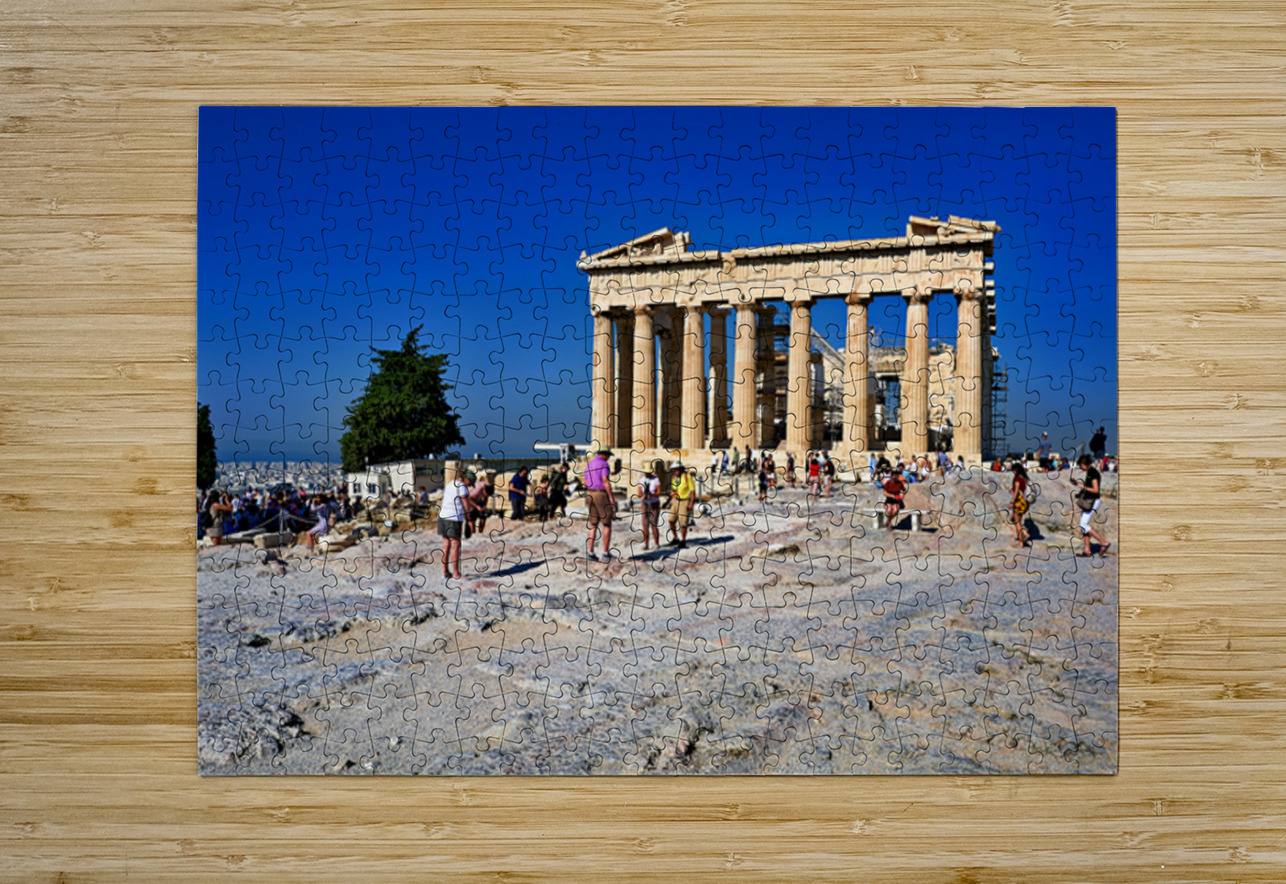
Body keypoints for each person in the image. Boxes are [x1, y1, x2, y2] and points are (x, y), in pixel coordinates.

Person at [1073, 454, 1110, 557]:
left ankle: (1103, 542)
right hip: (1088, 501)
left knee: (1083, 525)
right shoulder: (1089, 472)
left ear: (1085, 464)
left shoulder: (1093, 473)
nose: (1080, 467)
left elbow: (1095, 489)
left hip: (1093, 501)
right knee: (1082, 526)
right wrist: (1078, 486)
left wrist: (1083, 487)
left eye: (1080, 465)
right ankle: (1087, 550)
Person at [438, 468, 471, 579]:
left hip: (443, 516)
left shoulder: (450, 484)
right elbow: (466, 504)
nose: (470, 485)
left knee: (446, 544)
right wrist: (469, 518)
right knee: (455, 545)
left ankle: (445, 572)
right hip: (454, 517)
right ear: (466, 479)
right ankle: (456, 573)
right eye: (470, 482)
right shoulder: (461, 487)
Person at [584, 446, 615, 561]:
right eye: (608, 456)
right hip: (600, 494)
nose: (608, 458)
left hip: (589, 493)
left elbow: (585, 481)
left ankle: (590, 552)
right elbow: (605, 480)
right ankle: (605, 552)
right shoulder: (604, 464)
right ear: (605, 454)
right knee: (607, 524)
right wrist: (611, 498)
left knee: (593, 524)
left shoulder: (590, 464)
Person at [666, 463, 695, 549]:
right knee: (671, 520)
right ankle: (675, 538)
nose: (675, 471)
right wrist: (667, 501)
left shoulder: (687, 476)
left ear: (681, 469)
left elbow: (692, 491)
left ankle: (683, 541)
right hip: (675, 500)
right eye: (674, 469)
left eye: (676, 469)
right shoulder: (674, 478)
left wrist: (691, 503)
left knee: (683, 523)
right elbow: (674, 490)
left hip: (685, 501)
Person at [637, 464, 661, 551]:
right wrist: (643, 496)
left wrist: (652, 494)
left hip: (654, 503)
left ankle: (656, 543)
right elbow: (639, 493)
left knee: (653, 524)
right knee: (645, 525)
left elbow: (659, 492)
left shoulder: (656, 479)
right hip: (645, 504)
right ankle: (646, 544)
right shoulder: (642, 480)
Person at [1010, 462, 1031, 547]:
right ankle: (1021, 541)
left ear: (1015, 470)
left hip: (1019, 501)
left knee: (1017, 521)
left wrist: (1012, 502)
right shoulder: (1024, 478)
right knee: (1016, 519)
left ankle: (1023, 535)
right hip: (1025, 501)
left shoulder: (1017, 479)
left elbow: (1016, 491)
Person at [465, 470, 491, 538]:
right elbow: (468, 499)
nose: (486, 495)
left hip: (479, 501)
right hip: (471, 502)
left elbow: (486, 497)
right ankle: (473, 535)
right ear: (483, 490)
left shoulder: (488, 486)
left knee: (483, 517)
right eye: (485, 494)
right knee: (472, 520)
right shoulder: (475, 491)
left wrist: (484, 506)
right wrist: (476, 507)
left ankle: (480, 533)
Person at [882, 467, 907, 531]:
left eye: (897, 475)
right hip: (889, 500)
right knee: (889, 510)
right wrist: (891, 495)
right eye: (895, 475)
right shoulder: (888, 483)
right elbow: (884, 493)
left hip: (896, 501)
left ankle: (888, 521)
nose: (896, 476)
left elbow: (904, 490)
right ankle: (890, 524)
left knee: (895, 510)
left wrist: (902, 496)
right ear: (892, 475)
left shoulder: (899, 483)